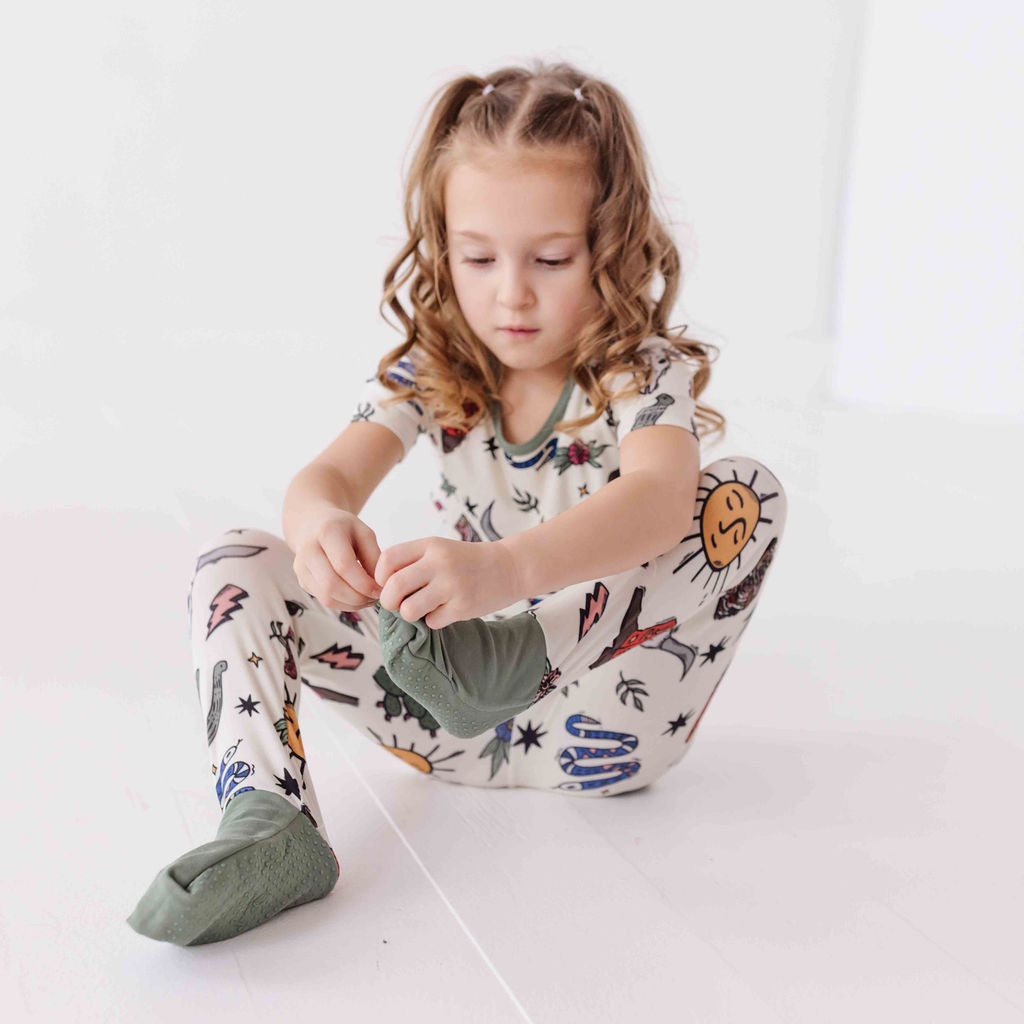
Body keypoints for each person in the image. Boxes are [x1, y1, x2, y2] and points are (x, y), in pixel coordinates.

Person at [127, 59, 788, 947]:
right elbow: (321, 482)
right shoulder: (432, 369)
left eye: (550, 259)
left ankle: (510, 654)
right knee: (235, 561)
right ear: (443, 248)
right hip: (441, 722)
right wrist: (323, 529)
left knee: (743, 495)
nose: (510, 292)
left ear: (611, 246)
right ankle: (269, 821)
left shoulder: (641, 375)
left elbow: (664, 496)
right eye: (478, 257)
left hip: (602, 728)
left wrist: (507, 572)